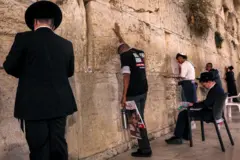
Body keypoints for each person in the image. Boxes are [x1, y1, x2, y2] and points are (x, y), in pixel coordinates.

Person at [2, 1, 77, 160]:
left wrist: (27, 74)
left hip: (33, 105)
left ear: (35, 22)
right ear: (53, 25)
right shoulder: (66, 44)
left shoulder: (23, 38)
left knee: (38, 149)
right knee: (58, 146)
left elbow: (9, 66)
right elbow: (69, 72)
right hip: (60, 104)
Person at [113, 23, 152, 157]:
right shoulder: (139, 52)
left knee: (136, 120)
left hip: (133, 94)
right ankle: (144, 147)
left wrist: (124, 96)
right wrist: (118, 34)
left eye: (118, 54)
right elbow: (124, 44)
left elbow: (126, 76)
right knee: (141, 118)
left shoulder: (124, 56)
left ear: (121, 52)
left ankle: (145, 150)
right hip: (143, 91)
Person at [165, 72, 224, 144]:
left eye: (203, 83)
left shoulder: (214, 90)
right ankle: (186, 136)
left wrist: (192, 105)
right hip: (213, 112)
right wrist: (197, 104)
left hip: (210, 114)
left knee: (183, 113)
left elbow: (205, 104)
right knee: (186, 113)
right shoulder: (217, 88)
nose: (203, 85)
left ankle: (178, 137)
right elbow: (208, 102)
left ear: (209, 82)